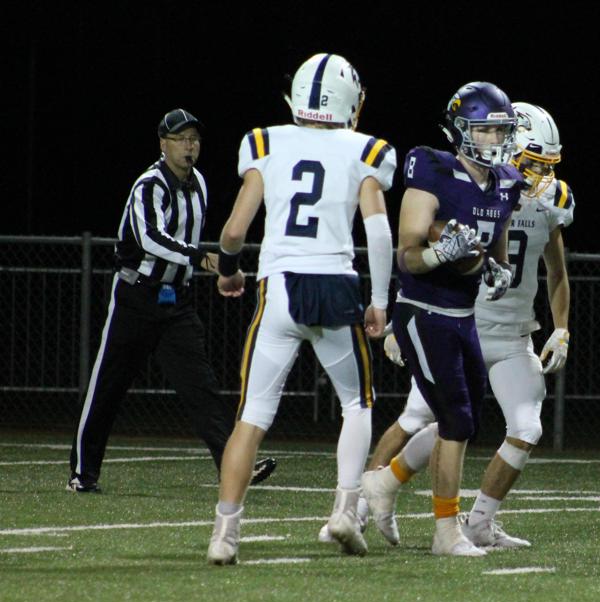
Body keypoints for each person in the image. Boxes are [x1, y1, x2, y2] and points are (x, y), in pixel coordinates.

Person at [355, 102, 572, 551]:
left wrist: (561, 328)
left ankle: (478, 522)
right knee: (419, 418)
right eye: (533, 163)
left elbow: (556, 271)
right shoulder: (469, 185)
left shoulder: (542, 198)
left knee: (523, 426)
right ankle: (358, 505)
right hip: (462, 320)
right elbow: (419, 249)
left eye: (547, 165)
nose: (542, 175)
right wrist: (398, 321)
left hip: (513, 334)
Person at [206, 53, 396, 564]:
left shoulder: (266, 142)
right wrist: (380, 300)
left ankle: (224, 534)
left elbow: (233, 232)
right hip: (335, 286)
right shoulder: (365, 149)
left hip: (280, 288)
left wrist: (229, 272)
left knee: (252, 416)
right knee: (357, 405)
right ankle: (345, 510)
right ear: (349, 102)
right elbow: (378, 231)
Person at [68, 109, 276, 493]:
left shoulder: (199, 184)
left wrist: (210, 270)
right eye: (181, 139)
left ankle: (233, 467)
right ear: (163, 143)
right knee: (107, 387)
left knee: (202, 388)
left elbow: (186, 241)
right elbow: (151, 238)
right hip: (135, 298)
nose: (189, 146)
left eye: (194, 139)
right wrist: (204, 260)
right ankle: (82, 473)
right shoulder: (149, 185)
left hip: (176, 302)